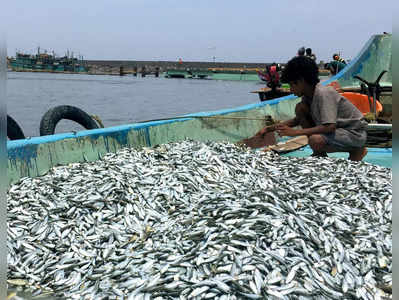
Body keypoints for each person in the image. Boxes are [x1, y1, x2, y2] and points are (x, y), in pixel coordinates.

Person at [259, 56, 368, 161]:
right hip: (339, 132)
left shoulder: (323, 93)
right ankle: (319, 154)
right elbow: (297, 120)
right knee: (300, 109)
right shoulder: (308, 96)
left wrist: (294, 133)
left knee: (315, 140)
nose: (291, 90)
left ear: (301, 81)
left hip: (354, 133)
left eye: (292, 85)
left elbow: (329, 127)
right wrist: (268, 129)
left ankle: (357, 150)